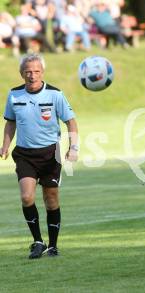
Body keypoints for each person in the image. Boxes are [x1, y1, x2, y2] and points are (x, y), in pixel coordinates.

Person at [0, 53, 78, 259]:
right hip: (25, 154)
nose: (32, 75)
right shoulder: (14, 95)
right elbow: (10, 122)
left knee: (51, 200)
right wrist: (5, 146)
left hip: (51, 154)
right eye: (27, 72)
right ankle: (37, 241)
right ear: (21, 74)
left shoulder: (55, 95)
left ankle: (52, 245)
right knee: (27, 197)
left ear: (42, 72)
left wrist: (73, 147)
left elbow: (70, 121)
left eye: (36, 71)